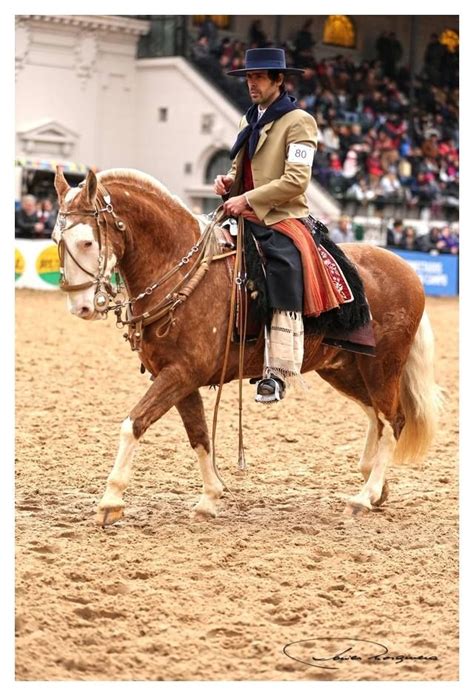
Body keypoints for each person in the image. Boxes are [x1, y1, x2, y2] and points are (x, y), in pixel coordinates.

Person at [213, 48, 349, 403]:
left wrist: (249, 199)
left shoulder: (299, 121)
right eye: (248, 77)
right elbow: (239, 170)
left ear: (278, 79)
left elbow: (295, 181)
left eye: (257, 77)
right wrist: (229, 184)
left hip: (280, 215)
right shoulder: (248, 120)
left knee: (284, 264)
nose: (251, 83)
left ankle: (278, 371)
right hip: (242, 210)